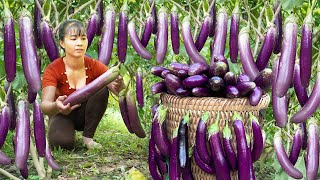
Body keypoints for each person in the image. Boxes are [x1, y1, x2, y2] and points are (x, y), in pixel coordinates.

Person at [41, 19, 124, 150]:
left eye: (83, 38)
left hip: (86, 115)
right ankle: (65, 131)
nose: (79, 43)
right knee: (61, 144)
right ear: (62, 43)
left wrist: (120, 85)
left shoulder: (94, 65)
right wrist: (56, 106)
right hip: (62, 114)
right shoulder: (53, 69)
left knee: (101, 88)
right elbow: (45, 106)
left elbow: (119, 93)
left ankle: (88, 137)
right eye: (73, 39)